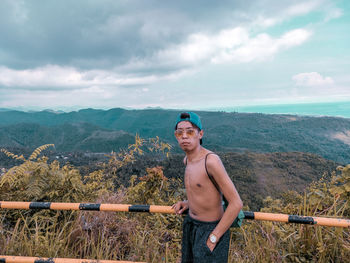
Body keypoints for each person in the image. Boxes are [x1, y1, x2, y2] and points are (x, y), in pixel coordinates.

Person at [172, 112, 243, 263]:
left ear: (200, 134)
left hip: (211, 229)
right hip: (192, 226)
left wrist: (213, 237)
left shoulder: (210, 161)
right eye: (180, 133)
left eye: (190, 131)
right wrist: (188, 203)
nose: (184, 136)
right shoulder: (187, 160)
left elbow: (236, 203)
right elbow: (203, 191)